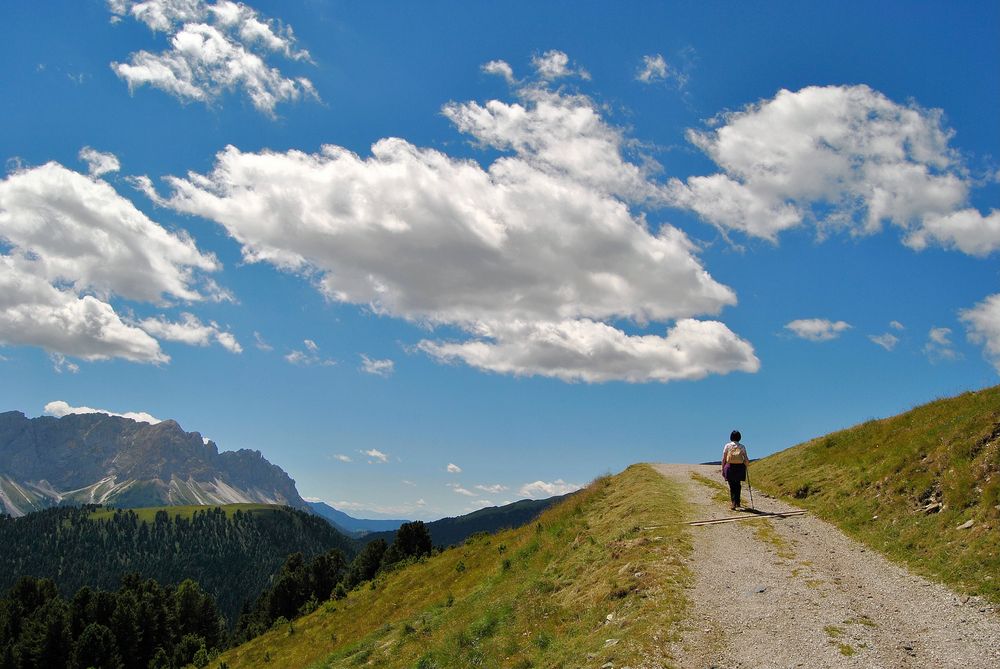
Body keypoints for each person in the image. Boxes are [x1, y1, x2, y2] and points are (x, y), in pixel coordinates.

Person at [721, 430, 749, 510]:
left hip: (730, 467)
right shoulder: (742, 446)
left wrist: (723, 469)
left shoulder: (727, 446)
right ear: (739, 437)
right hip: (740, 467)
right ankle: (738, 502)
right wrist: (746, 464)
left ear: (731, 437)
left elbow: (724, 459)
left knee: (732, 485)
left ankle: (733, 503)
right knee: (738, 484)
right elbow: (746, 458)